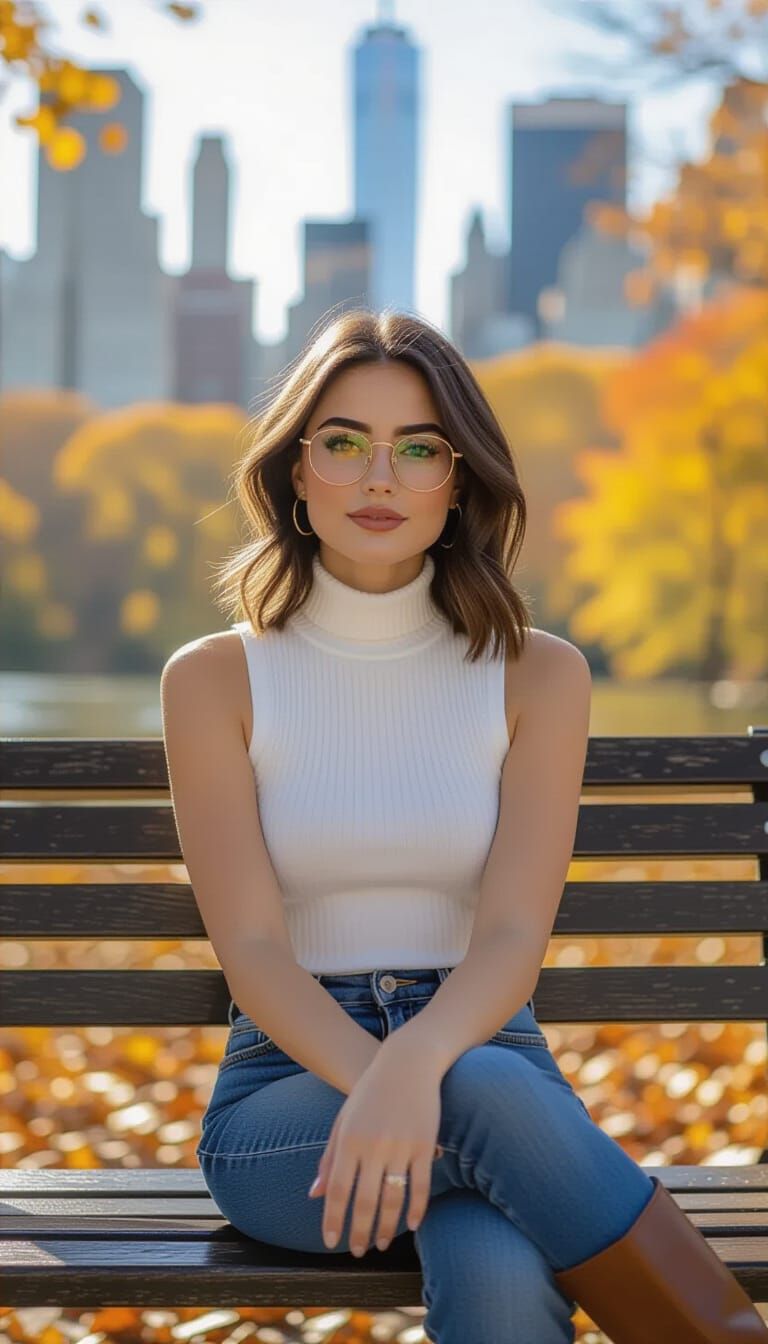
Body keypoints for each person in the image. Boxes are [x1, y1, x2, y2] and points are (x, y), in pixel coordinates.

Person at [161, 308, 766, 1343]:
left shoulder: (541, 674)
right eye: (344, 443)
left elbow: (512, 936)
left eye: (419, 449)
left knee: (495, 1264)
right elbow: (253, 949)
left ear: (460, 479)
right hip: (289, 1107)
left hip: (493, 1056)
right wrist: (384, 1082)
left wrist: (416, 1072)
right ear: (296, 471)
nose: (379, 478)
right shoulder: (215, 680)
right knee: (481, 1098)